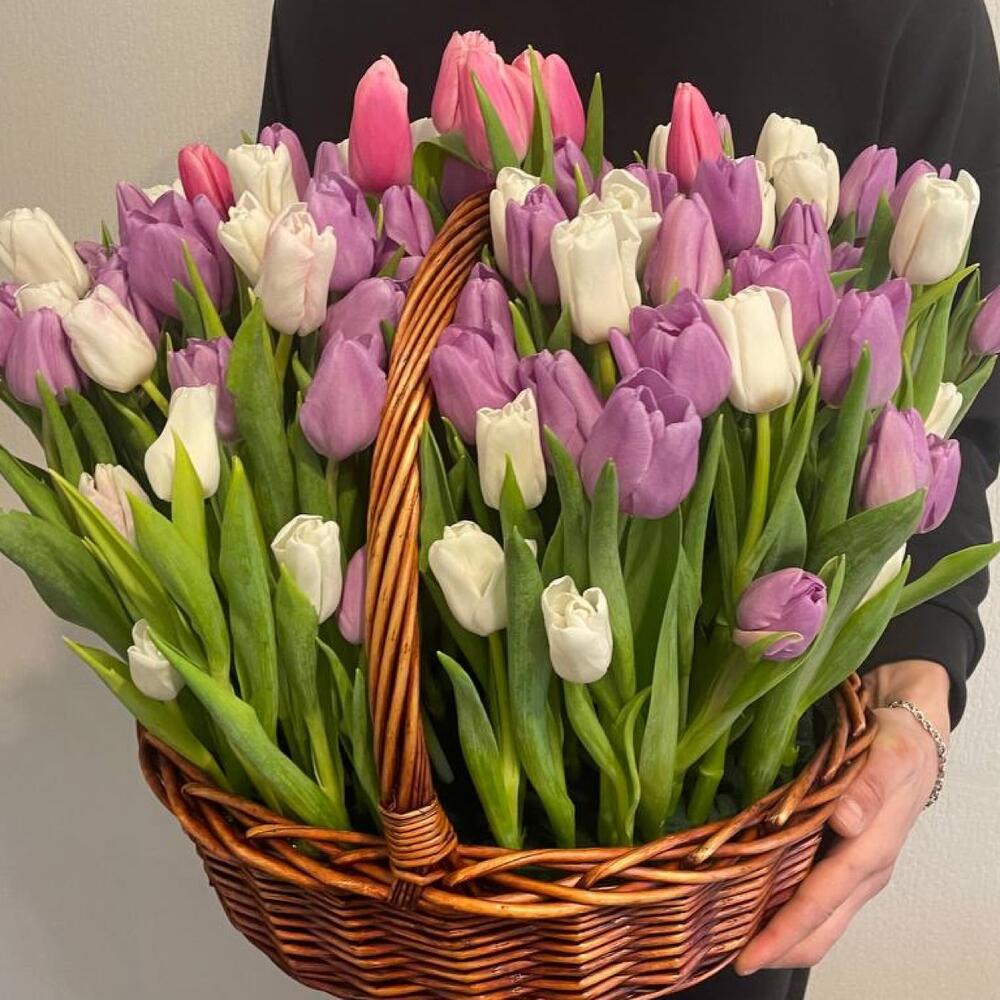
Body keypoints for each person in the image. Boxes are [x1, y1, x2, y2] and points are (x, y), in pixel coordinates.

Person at [259, 2, 1000, 997]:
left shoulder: (904, 14)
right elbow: (301, 332)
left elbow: (957, 416)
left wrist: (915, 695)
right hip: (403, 850)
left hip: (716, 867)